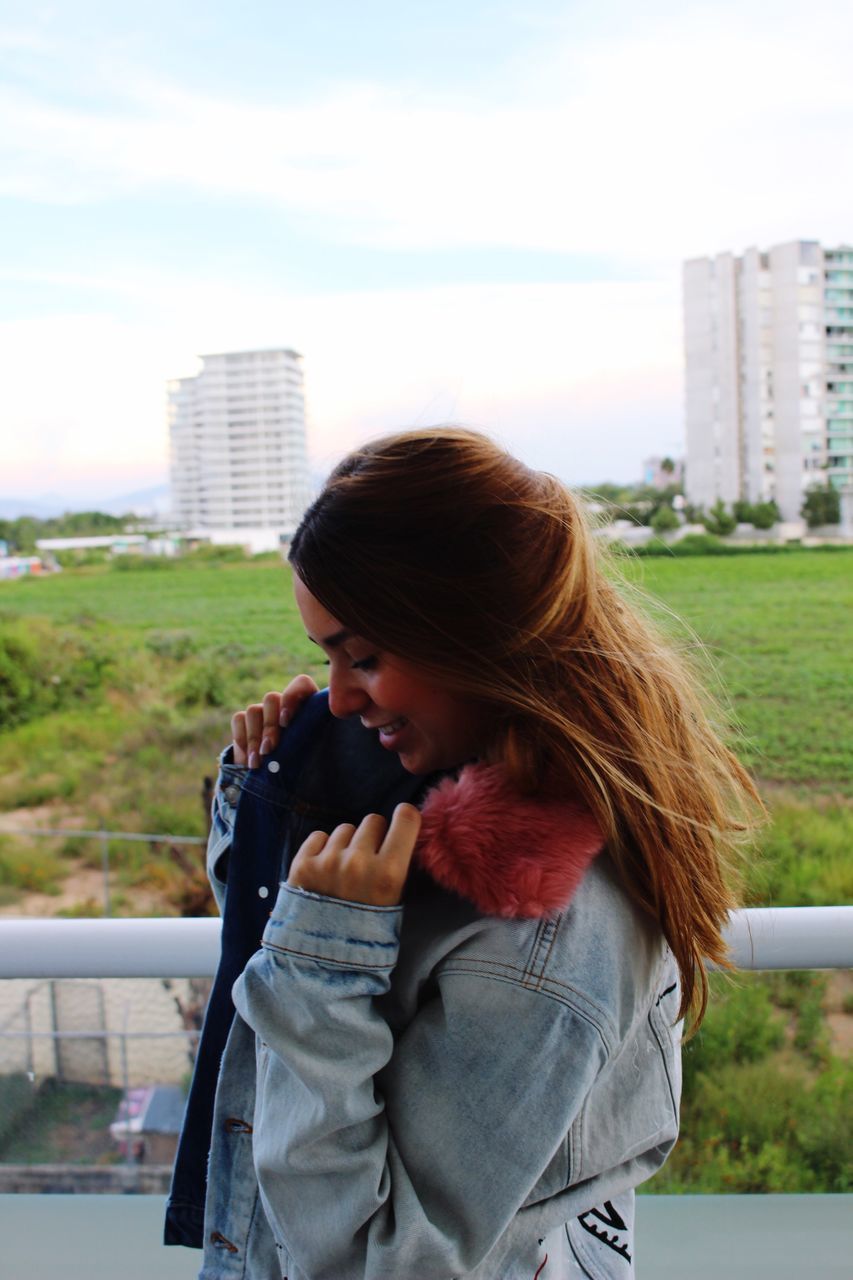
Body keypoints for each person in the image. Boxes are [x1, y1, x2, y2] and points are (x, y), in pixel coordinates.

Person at [165, 427, 758, 1279]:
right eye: (324, 656)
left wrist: (326, 960)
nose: (334, 697)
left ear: (475, 635)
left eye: (363, 655)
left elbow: (379, 1262)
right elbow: (263, 975)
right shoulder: (426, 801)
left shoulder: (535, 930)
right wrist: (269, 801)